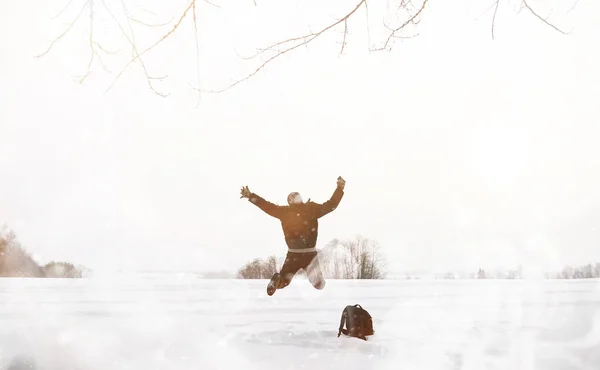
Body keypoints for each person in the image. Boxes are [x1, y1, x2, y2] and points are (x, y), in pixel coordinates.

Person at [240, 176, 346, 296]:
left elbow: (267, 207)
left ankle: (278, 280)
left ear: (290, 202)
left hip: (293, 255)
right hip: (310, 255)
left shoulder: (284, 212)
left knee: (284, 281)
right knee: (319, 285)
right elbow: (331, 205)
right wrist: (339, 188)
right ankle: (313, 279)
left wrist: (251, 196)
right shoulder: (312, 209)